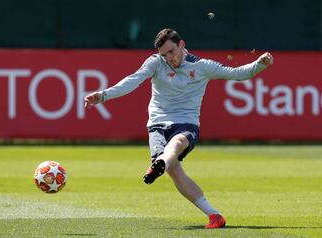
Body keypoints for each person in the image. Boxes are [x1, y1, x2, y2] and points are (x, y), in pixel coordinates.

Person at [84, 28, 274, 228]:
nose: (168, 58)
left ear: (181, 45)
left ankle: (161, 163)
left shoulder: (202, 66)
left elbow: (237, 74)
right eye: (163, 54)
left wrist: (260, 64)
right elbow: (133, 80)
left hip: (186, 122)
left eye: (171, 52)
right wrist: (103, 95)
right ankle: (214, 215)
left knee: (177, 143)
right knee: (175, 172)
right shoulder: (156, 63)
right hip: (157, 124)